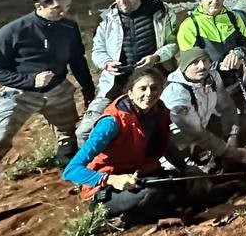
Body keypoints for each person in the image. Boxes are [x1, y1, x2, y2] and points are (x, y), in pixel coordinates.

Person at [0, 0, 96, 235]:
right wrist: (29, 81)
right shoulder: (14, 31)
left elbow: (77, 59)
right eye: (57, 8)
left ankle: (71, 175)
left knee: (68, 132)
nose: (63, 12)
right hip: (20, 94)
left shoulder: (68, 28)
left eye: (67, 8)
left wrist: (87, 88)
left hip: (59, 90)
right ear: (40, 6)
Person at [62, 66, 202, 226]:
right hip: (106, 188)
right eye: (142, 88)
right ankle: (124, 220)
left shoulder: (159, 111)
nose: (149, 94)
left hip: (141, 176)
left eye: (154, 88)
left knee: (185, 184)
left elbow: (165, 145)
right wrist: (111, 179)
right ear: (130, 93)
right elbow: (71, 170)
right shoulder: (111, 122)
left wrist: (185, 168)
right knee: (152, 193)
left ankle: (164, 209)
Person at [77, 0, 179, 146]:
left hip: (155, 78)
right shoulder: (107, 19)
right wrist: (106, 63)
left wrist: (156, 57)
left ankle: (163, 163)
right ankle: (92, 168)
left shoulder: (162, 13)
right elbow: (98, 49)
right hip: (116, 81)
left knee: (167, 125)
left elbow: (173, 44)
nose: (122, 0)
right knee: (85, 131)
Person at [176, 0, 246, 134]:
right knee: (213, 123)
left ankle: (242, 145)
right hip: (207, 87)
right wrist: (218, 66)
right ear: (201, 1)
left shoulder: (233, 17)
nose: (214, 1)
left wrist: (237, 53)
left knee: (242, 116)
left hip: (233, 80)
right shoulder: (190, 24)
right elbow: (189, 63)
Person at [161, 48, 246, 165]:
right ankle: (192, 164)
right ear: (184, 67)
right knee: (195, 177)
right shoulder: (176, 92)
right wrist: (231, 151)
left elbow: (227, 107)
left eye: (205, 60)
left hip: (204, 128)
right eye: (195, 62)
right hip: (179, 142)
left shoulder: (212, 77)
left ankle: (224, 162)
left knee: (244, 120)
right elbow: (195, 132)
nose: (202, 66)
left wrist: (233, 135)